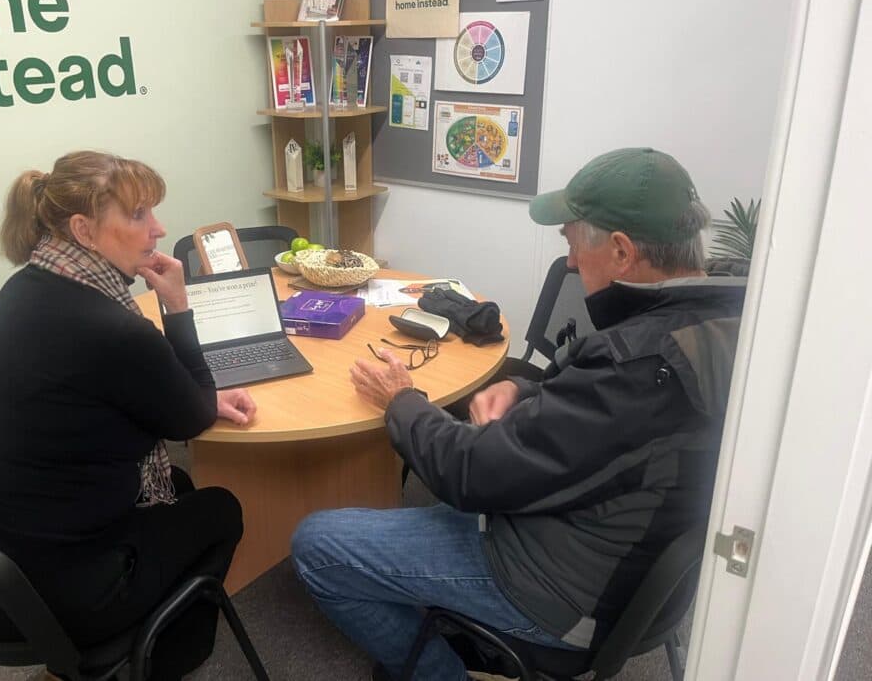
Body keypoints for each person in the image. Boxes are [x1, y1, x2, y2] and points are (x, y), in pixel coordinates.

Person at [291, 148, 748, 681]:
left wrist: (402, 398)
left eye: (573, 244)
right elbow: (598, 415)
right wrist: (520, 386)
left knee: (316, 545)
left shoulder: (640, 370)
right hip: (617, 550)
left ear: (622, 252)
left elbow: (470, 475)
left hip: (560, 591)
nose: (572, 263)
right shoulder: (719, 315)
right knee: (449, 462)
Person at [0, 150, 257, 681]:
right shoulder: (113, 329)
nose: (158, 229)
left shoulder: (26, 289)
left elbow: (124, 399)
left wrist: (188, 396)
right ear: (84, 230)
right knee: (220, 508)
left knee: (176, 483)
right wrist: (179, 307)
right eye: (138, 216)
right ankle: (154, 662)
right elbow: (190, 419)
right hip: (63, 587)